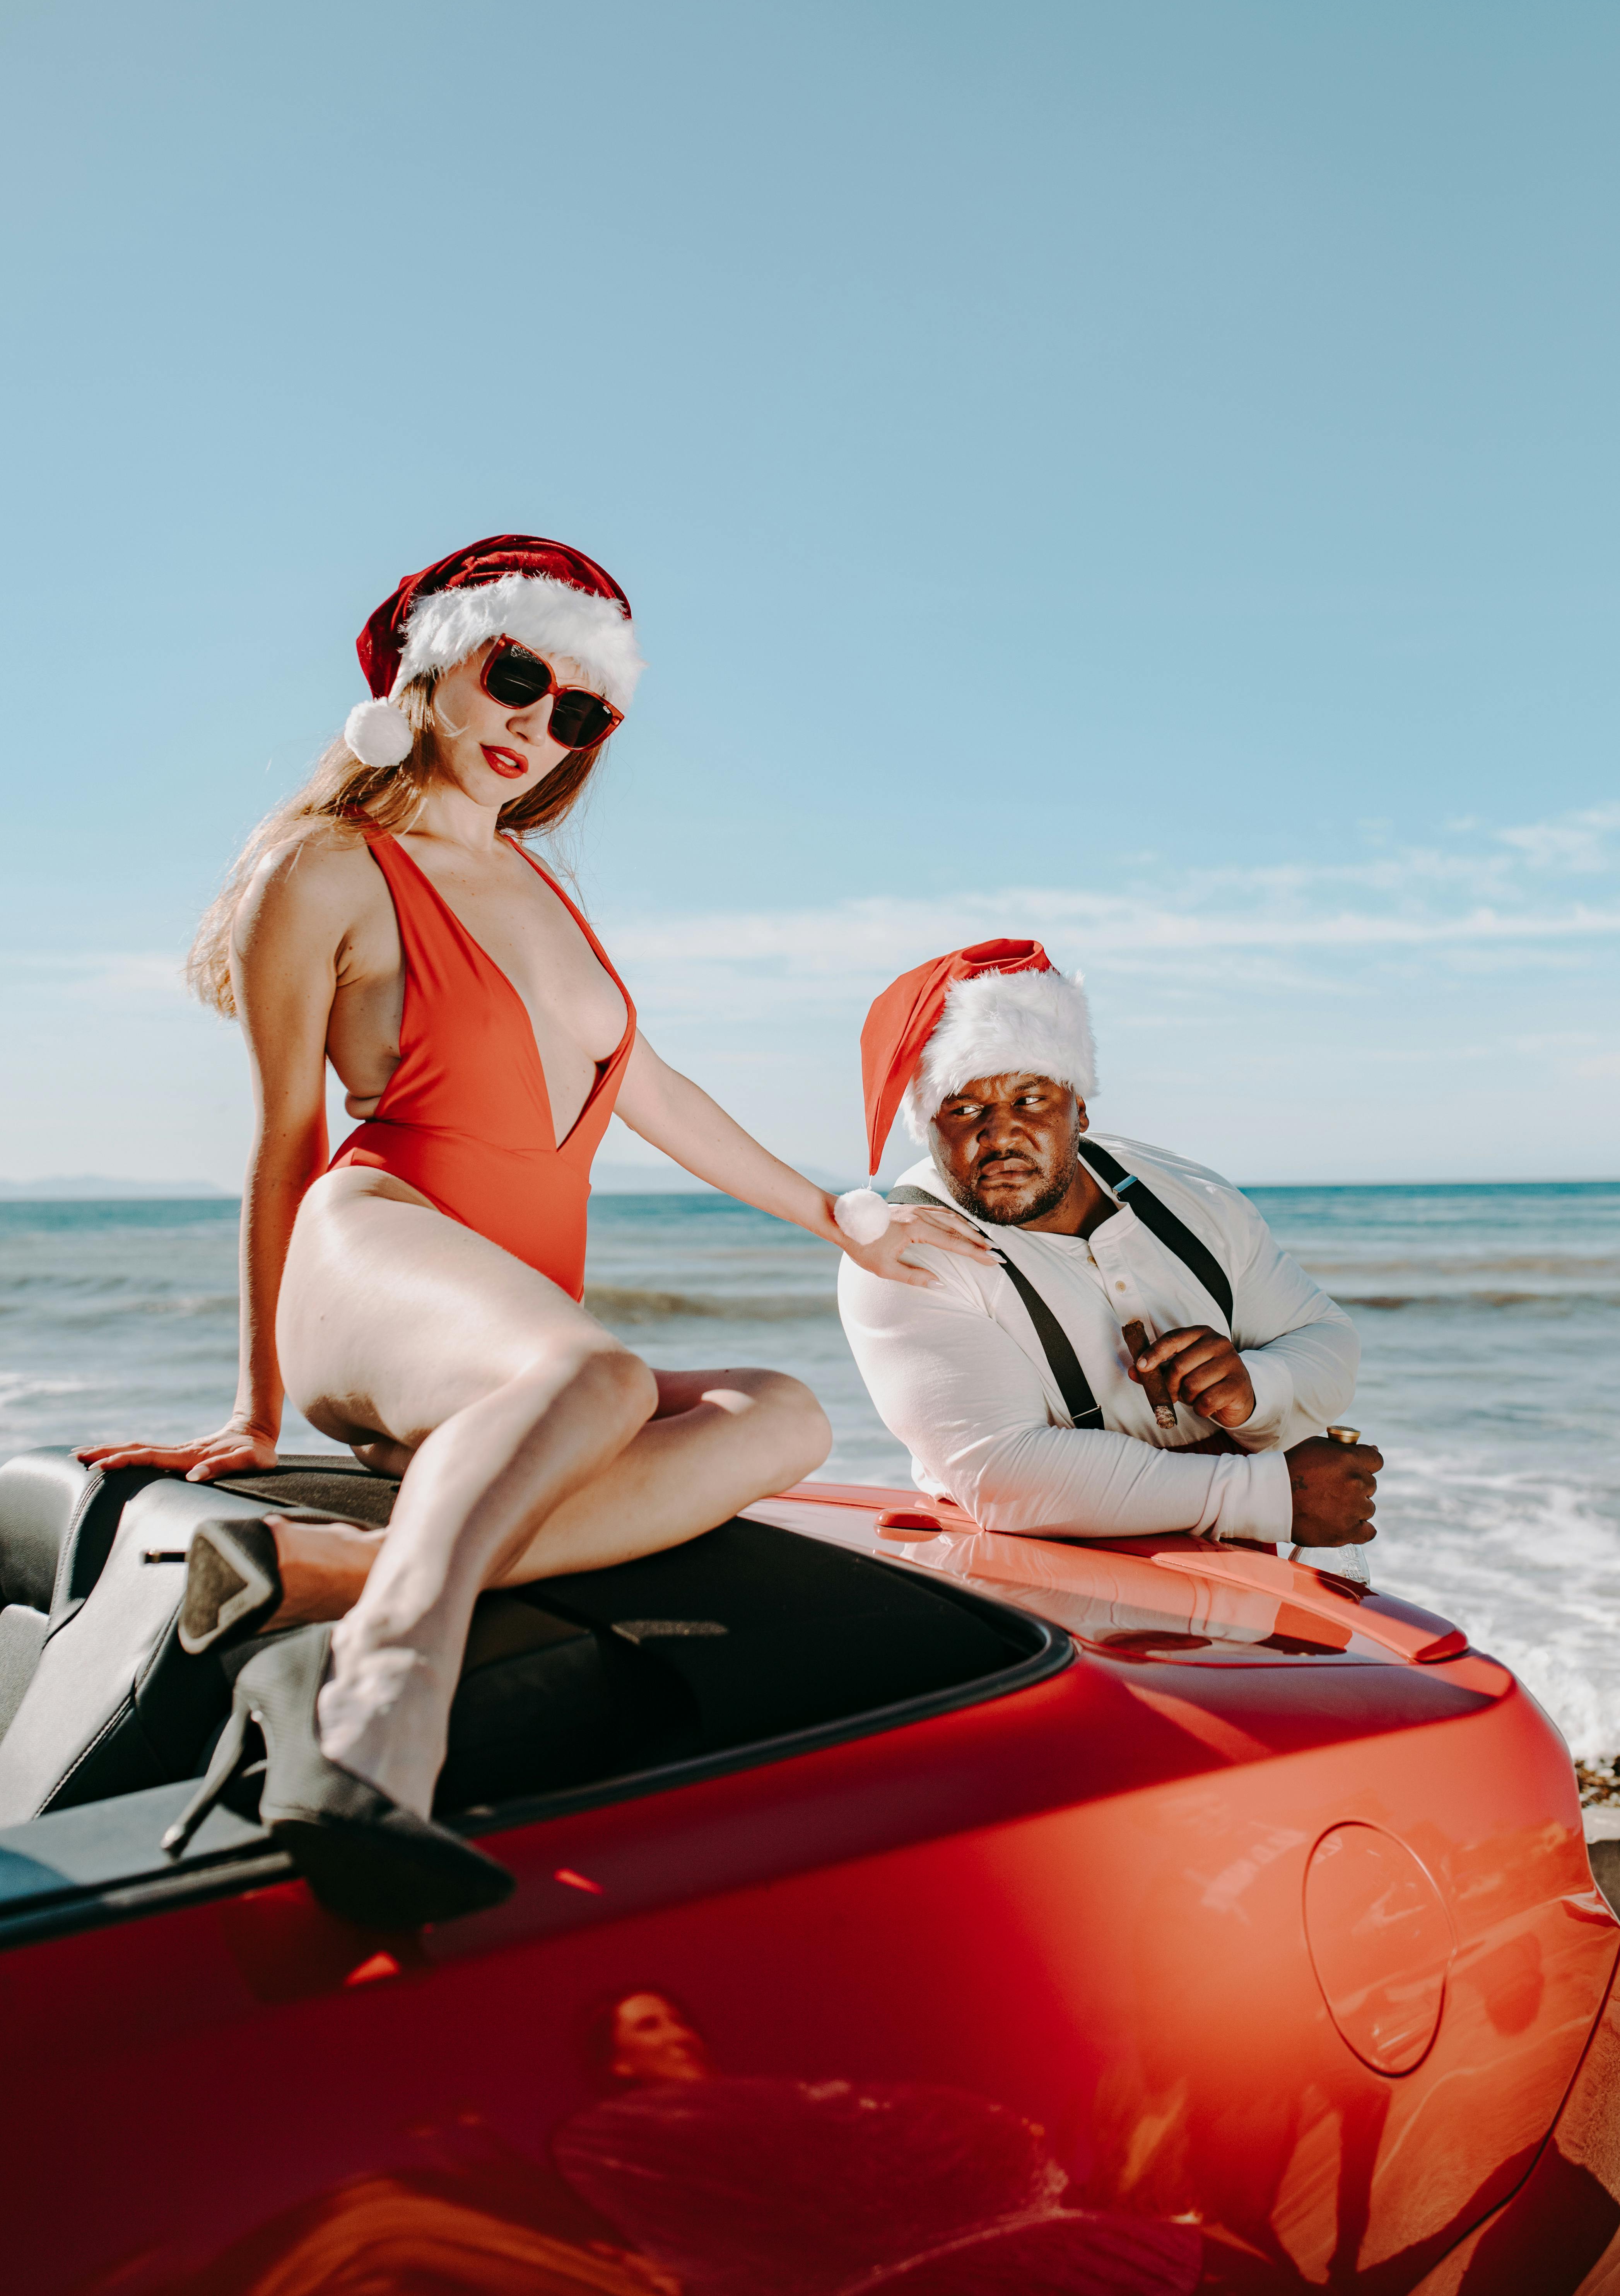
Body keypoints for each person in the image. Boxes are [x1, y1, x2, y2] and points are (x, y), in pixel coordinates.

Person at [75, 535, 989, 1926]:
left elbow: (653, 1090)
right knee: (600, 1376)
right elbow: (281, 1144)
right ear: (433, 663)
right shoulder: (329, 868)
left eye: (577, 710)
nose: (533, 725)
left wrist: (835, 1213)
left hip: (500, 1345)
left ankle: (333, 1577)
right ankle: (375, 1710)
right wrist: (253, 1410)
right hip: (370, 1251)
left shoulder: (548, 892)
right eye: (515, 676)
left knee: (781, 1413)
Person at [835, 939, 1380, 1550]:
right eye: (963, 1108)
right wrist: (1267, 1494)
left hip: (1235, 1576)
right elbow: (1003, 1477)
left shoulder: (1190, 1195)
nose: (1001, 1134)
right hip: (1037, 1591)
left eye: (1031, 1099)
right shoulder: (905, 1251)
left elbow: (1328, 1339)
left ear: (1081, 1108)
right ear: (928, 1124)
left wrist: (1255, 1388)